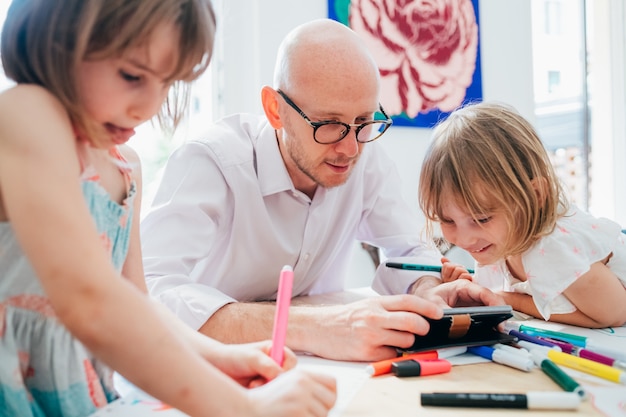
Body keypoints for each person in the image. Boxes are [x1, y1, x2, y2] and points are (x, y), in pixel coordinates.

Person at [0, 1, 337, 416]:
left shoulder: (127, 168)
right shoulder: (26, 111)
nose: (150, 106)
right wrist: (244, 408)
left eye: (168, 83)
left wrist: (219, 359)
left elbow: (136, 306)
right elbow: (91, 302)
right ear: (57, 43)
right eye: (131, 76)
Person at [141, 18, 502, 362]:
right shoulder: (212, 163)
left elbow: (406, 247)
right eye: (329, 124)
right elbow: (149, 292)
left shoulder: (365, 156)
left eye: (363, 121)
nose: (350, 149)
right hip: (205, 368)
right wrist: (316, 328)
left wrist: (427, 290)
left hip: (317, 369)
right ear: (275, 109)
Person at [418, 101, 626, 328]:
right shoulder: (501, 238)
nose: (464, 239)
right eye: (447, 220)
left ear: (535, 195)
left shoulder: (553, 244)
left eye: (482, 218)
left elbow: (613, 314)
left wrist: (510, 300)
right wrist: (470, 289)